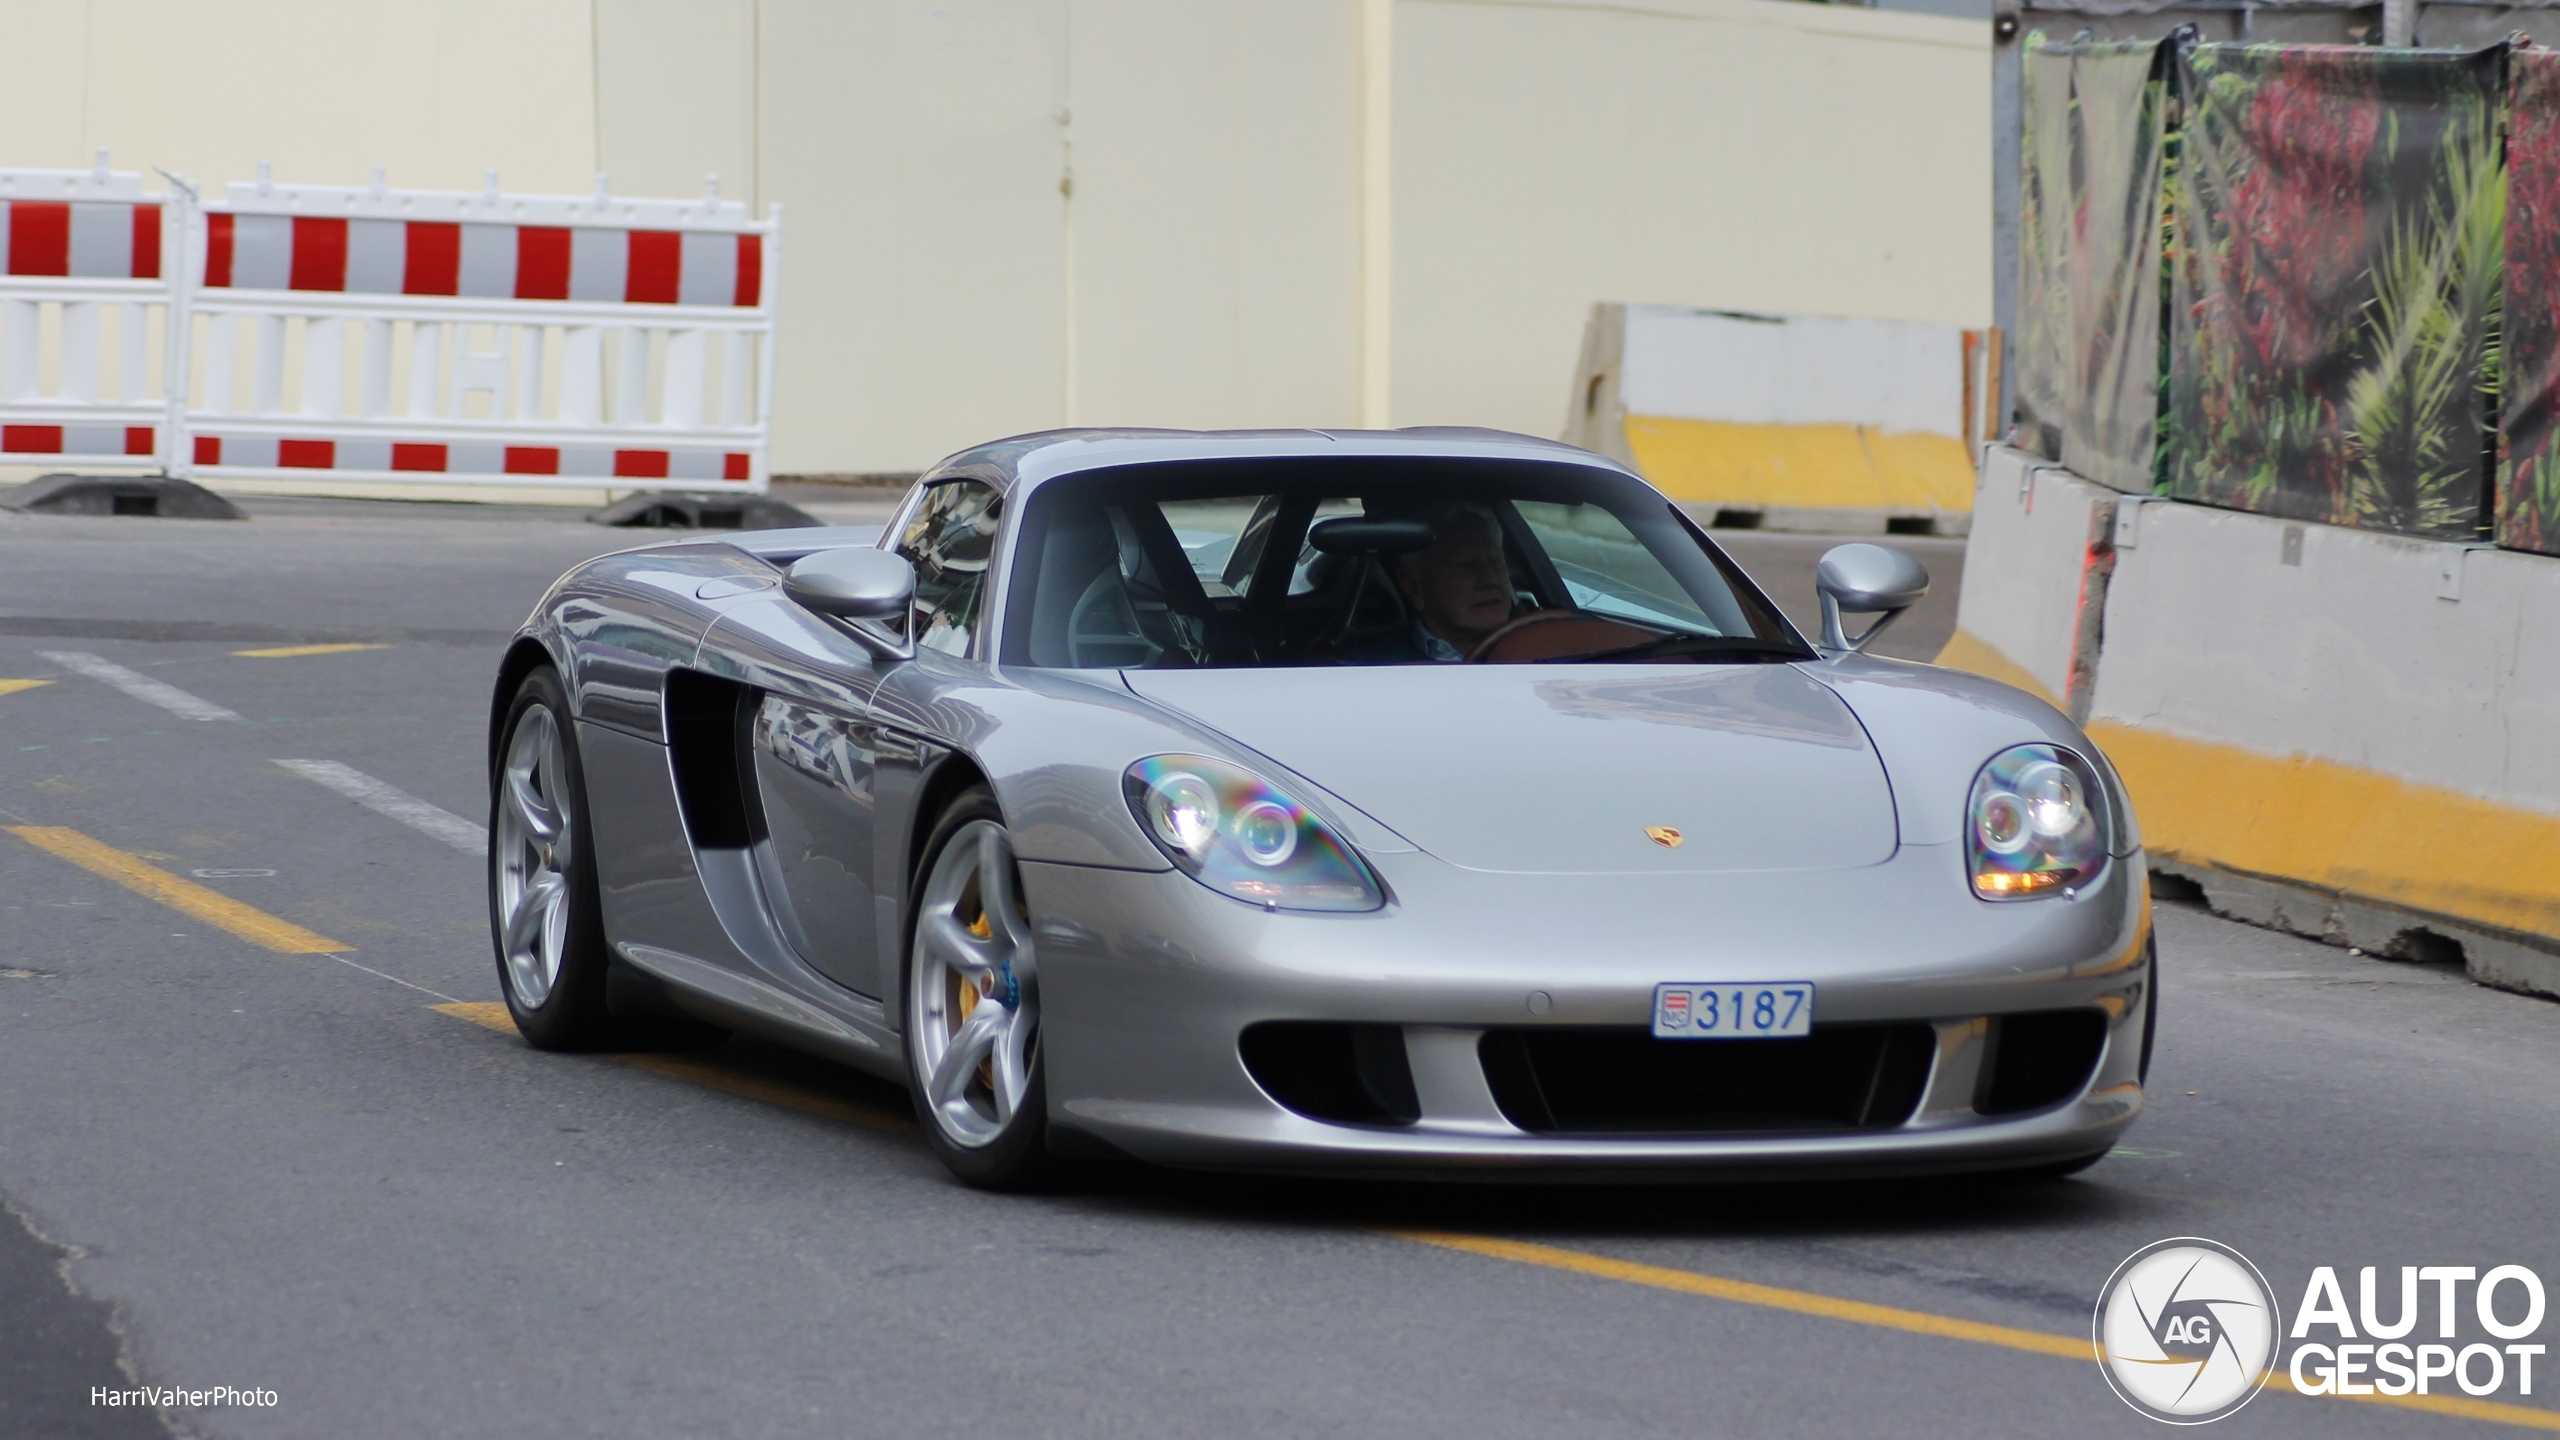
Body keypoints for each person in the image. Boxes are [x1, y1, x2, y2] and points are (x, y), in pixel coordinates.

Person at [1340, 501, 1517, 662]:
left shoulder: (1541, 652)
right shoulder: (1370, 671)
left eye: (1496, 562)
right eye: (1467, 566)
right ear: (1413, 586)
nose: (1490, 580)